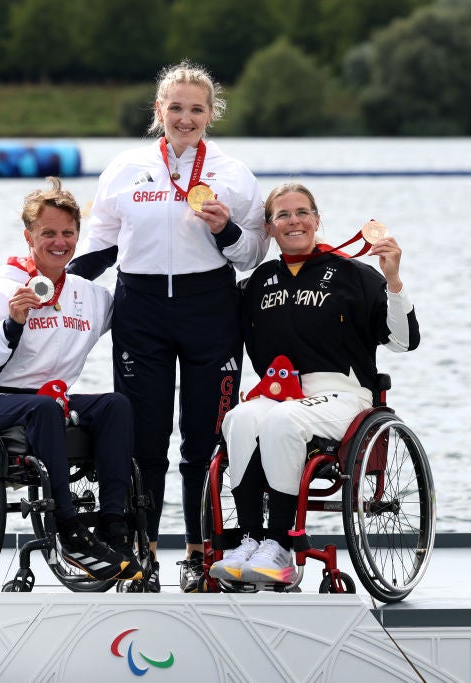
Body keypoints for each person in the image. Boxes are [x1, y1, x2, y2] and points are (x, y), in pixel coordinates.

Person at [68, 60, 269, 592]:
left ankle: (202, 555)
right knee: (144, 440)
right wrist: (53, 284)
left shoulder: (234, 174)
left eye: (196, 109)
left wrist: (226, 228)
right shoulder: (125, 168)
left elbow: (251, 254)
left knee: (204, 439)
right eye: (175, 107)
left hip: (211, 310)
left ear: (211, 115)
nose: (185, 118)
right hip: (142, 308)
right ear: (159, 110)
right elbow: (99, 246)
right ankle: (144, 553)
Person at [208, 183, 421, 584]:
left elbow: (403, 341)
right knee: (237, 419)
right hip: (277, 392)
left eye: (302, 212)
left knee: (283, 421)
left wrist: (392, 280)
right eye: (282, 215)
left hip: (343, 394)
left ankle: (281, 546)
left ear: (318, 219)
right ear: (268, 228)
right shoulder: (256, 283)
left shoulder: (353, 273)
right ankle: (251, 540)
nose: (294, 221)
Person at [0, 177, 140, 583]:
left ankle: (114, 525)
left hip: (48, 401)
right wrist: (11, 324)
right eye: (48, 233)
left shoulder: (87, 295)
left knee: (115, 405)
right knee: (43, 409)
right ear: (29, 236)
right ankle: (68, 529)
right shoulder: (2, 287)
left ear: (78, 236)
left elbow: (140, 313)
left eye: (68, 233)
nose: (59, 242)